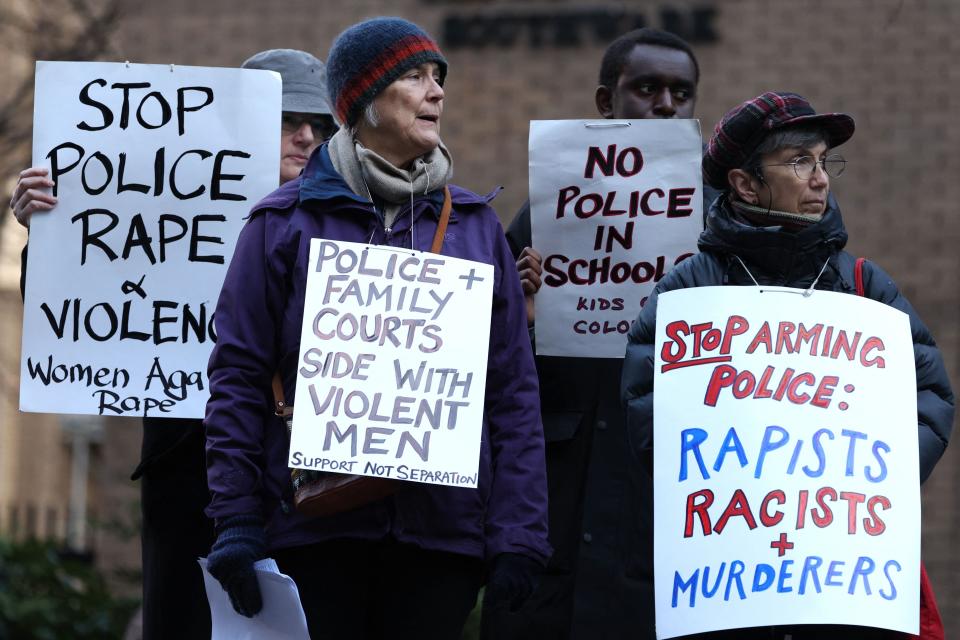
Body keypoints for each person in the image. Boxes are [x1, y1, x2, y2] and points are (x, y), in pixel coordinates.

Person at [202, 17, 551, 640]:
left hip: (441, 541)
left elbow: (512, 393)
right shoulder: (282, 225)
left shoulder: (476, 228)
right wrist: (236, 520)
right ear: (363, 102)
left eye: (438, 77)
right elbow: (237, 377)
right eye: (415, 77)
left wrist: (519, 535)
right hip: (314, 532)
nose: (436, 92)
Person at [9, 48, 337, 640]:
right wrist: (52, 234)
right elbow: (75, 319)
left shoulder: (350, 221)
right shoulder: (163, 203)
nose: (307, 136)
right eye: (287, 120)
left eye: (321, 125)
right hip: (188, 469)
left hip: (303, 481)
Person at [620, 91, 954, 639]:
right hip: (731, 571)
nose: (821, 179)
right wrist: (743, 490)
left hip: (841, 567)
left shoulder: (866, 287)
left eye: (824, 162)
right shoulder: (689, 290)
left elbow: (931, 399)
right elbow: (647, 405)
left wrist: (871, 483)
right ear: (746, 183)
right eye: (800, 162)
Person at [485, 28, 713, 639]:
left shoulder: (718, 226)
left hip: (657, 524)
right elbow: (491, 374)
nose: (665, 104)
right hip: (554, 518)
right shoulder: (542, 218)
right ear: (606, 103)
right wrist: (523, 318)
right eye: (646, 88)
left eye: (681, 92)